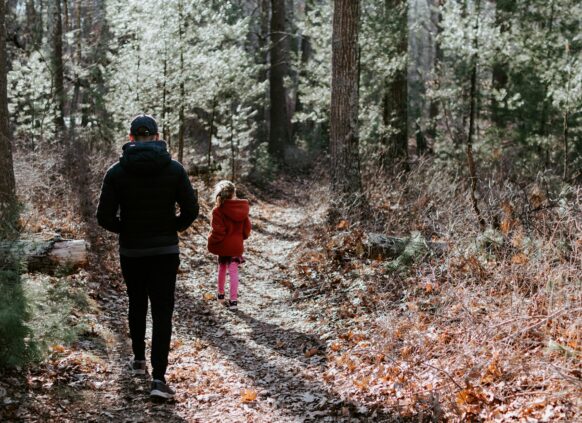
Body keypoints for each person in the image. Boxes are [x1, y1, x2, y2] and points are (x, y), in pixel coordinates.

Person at [96, 114, 198, 399]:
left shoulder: (116, 171)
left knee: (137, 302)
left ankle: (139, 360)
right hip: (165, 251)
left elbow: (103, 217)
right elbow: (191, 210)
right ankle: (159, 379)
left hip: (132, 250)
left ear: (131, 138)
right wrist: (171, 228)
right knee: (163, 312)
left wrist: (126, 230)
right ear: (155, 136)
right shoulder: (174, 169)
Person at [207, 180, 251, 310]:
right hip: (236, 245)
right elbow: (247, 228)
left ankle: (220, 295)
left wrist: (211, 241)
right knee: (234, 272)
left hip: (223, 246)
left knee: (221, 269)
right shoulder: (242, 209)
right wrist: (241, 237)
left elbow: (218, 232)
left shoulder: (218, 210)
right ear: (234, 193)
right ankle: (233, 301)